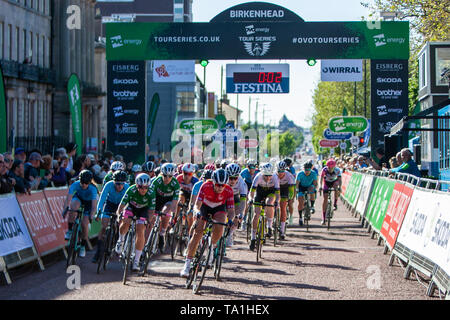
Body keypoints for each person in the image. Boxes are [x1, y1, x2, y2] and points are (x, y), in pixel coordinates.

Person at [180, 169, 235, 277]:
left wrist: (230, 220)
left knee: (220, 224)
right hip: (204, 207)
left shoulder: (228, 190)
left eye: (222, 185)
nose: (220, 188)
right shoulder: (205, 186)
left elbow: (231, 210)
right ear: (213, 182)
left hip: (219, 208)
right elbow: (197, 205)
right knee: (197, 233)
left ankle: (211, 246)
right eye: (218, 185)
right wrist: (196, 212)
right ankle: (187, 265)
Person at [114, 173, 155, 271]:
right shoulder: (131, 189)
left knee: (140, 230)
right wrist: (119, 215)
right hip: (131, 207)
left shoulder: (151, 193)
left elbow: (151, 211)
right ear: (137, 185)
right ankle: (121, 240)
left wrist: (148, 220)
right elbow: (122, 205)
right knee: (126, 221)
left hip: (143, 210)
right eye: (141, 187)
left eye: (146, 187)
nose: (143, 190)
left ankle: (136, 261)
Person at [92, 170, 130, 264]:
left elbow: (129, 203)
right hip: (109, 204)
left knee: (121, 224)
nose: (119, 186)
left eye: (122, 184)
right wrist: (98, 213)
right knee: (104, 226)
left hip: (121, 206)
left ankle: (117, 241)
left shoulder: (127, 188)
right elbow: (101, 200)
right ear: (113, 181)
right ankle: (98, 252)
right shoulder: (108, 185)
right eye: (117, 184)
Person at [61, 170, 98, 258]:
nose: (84, 185)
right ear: (79, 180)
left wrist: (91, 215)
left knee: (84, 224)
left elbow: (93, 206)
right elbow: (68, 199)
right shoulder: (75, 185)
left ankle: (82, 246)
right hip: (79, 198)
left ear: (89, 182)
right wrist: (65, 210)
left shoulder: (93, 189)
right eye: (82, 182)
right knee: (73, 208)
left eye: (86, 183)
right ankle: (70, 230)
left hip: (89, 203)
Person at [247, 162, 280, 251]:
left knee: (269, 202)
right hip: (259, 192)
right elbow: (251, 192)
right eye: (266, 176)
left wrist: (277, 201)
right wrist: (250, 199)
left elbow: (277, 192)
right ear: (262, 173)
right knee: (256, 214)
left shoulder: (275, 177)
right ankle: (253, 238)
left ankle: (269, 226)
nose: (268, 178)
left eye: (270, 176)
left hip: (270, 192)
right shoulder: (258, 177)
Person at [150, 163, 180, 252]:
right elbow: (150, 196)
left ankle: (162, 233)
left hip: (168, 201)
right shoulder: (156, 181)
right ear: (161, 174)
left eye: (170, 176)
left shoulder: (175, 184)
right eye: (165, 176)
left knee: (166, 212)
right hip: (157, 199)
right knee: (152, 217)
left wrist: (172, 217)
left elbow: (174, 203)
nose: (167, 178)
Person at [225, 163, 248, 246]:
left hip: (235, 196)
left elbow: (243, 201)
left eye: (235, 178)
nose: (232, 181)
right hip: (224, 195)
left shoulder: (242, 183)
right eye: (230, 178)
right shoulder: (223, 179)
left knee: (236, 215)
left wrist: (241, 214)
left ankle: (230, 234)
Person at [175, 163, 199, 237]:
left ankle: (189, 231)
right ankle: (175, 220)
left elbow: (196, 197)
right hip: (183, 193)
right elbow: (175, 191)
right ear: (182, 172)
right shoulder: (179, 178)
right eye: (185, 173)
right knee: (179, 200)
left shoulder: (195, 181)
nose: (187, 176)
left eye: (190, 174)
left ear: (193, 174)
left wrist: (191, 207)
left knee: (190, 214)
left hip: (192, 196)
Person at [276, 160, 295, 239]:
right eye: (279, 171)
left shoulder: (289, 175)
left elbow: (291, 190)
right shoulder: (273, 175)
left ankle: (282, 230)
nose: (280, 173)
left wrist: (290, 198)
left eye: (282, 171)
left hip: (285, 189)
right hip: (275, 188)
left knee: (283, 207)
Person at [319, 159, 342, 225]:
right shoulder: (324, 170)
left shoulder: (337, 170)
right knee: (325, 199)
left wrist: (340, 187)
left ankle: (335, 203)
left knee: (336, 187)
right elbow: (321, 179)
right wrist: (320, 186)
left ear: (334, 167)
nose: (330, 169)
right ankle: (323, 218)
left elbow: (340, 180)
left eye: (331, 167)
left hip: (334, 182)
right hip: (326, 183)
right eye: (329, 167)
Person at [296, 162, 318, 226]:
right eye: (305, 170)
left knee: (312, 191)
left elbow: (315, 183)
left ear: (310, 169)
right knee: (300, 202)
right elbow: (297, 183)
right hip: (301, 187)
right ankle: (300, 218)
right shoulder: (300, 174)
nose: (307, 172)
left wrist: (313, 187)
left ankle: (312, 206)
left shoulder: (313, 173)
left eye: (308, 170)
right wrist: (297, 190)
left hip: (309, 186)